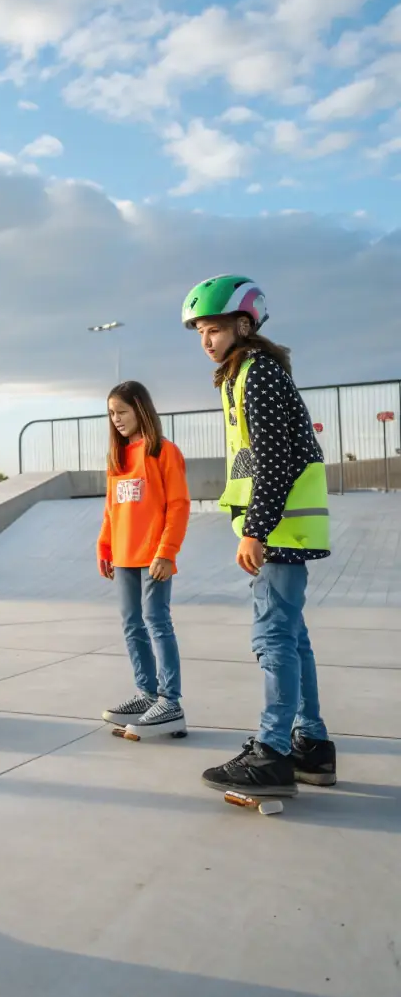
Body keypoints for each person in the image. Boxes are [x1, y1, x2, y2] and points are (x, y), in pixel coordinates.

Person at [182, 275, 336, 796]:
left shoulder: (258, 373)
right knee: (293, 637)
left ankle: (271, 753)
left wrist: (255, 530)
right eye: (200, 330)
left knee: (274, 638)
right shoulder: (243, 375)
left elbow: (276, 460)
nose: (206, 339)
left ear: (244, 324)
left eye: (215, 328)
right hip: (282, 527)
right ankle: (310, 746)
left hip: (279, 529)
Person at [98, 381, 190, 738]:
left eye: (122, 412)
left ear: (141, 409)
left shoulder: (163, 451)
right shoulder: (117, 458)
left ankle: (170, 701)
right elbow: (111, 509)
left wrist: (167, 552)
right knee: (132, 625)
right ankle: (146, 694)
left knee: (157, 622)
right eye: (111, 414)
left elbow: (179, 505)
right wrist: (105, 547)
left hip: (154, 557)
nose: (116, 419)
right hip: (123, 557)